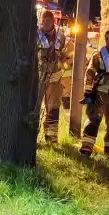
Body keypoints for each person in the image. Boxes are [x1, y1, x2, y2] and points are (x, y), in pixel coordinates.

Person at [79, 29, 109, 160]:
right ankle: (86, 149)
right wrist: (88, 92)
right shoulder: (98, 56)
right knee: (93, 120)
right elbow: (89, 73)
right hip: (100, 95)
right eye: (107, 39)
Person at [36, 10, 71, 143]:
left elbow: (66, 53)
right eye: (45, 21)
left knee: (53, 108)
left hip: (54, 78)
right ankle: (31, 138)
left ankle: (51, 138)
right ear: (41, 21)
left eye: (50, 21)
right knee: (33, 106)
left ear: (54, 22)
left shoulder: (60, 36)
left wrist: (65, 60)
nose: (47, 24)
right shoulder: (35, 34)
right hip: (37, 77)